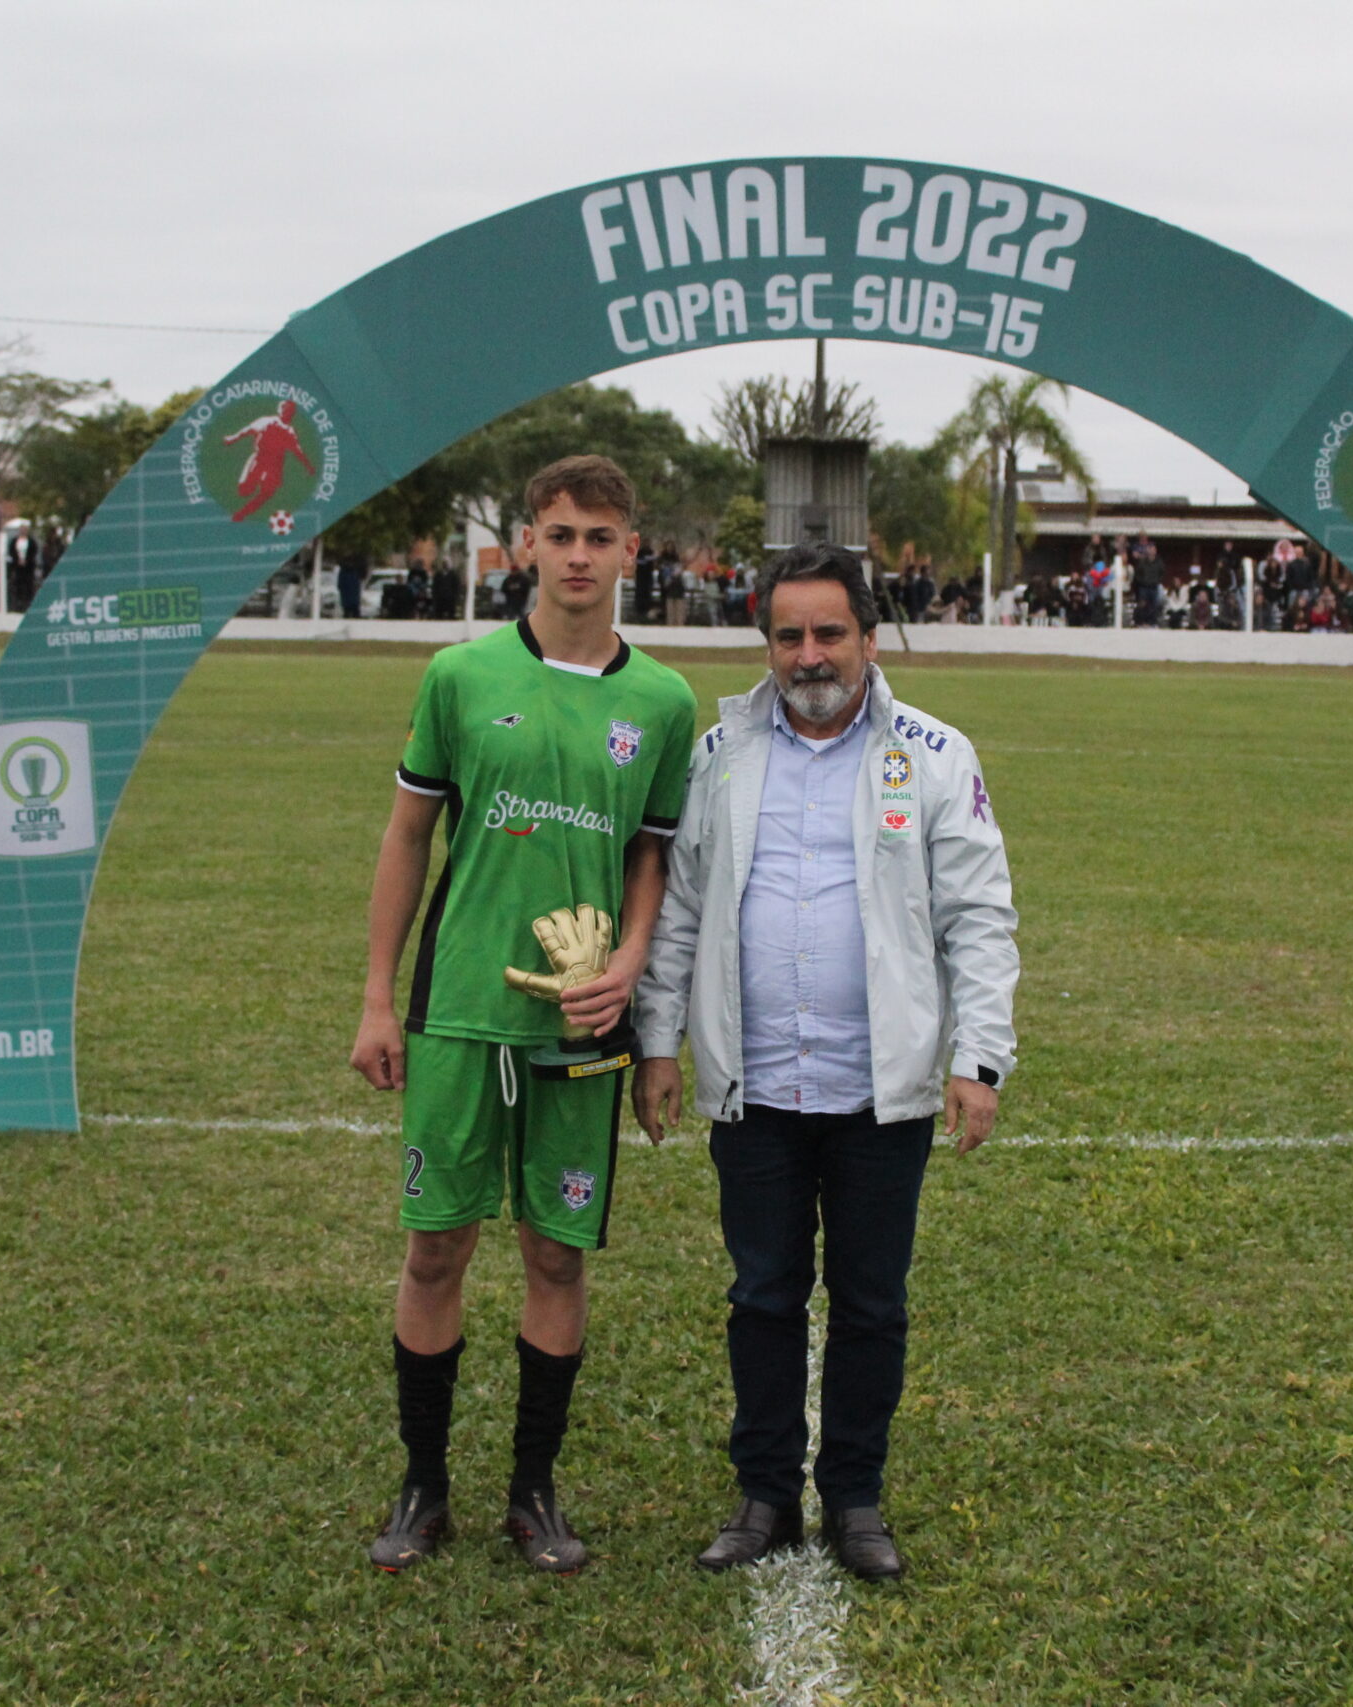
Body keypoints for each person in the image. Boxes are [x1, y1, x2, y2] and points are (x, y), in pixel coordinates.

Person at [633, 543, 1019, 1584]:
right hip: (752, 1083)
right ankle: (762, 1493)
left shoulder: (935, 754)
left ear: (869, 637)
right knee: (760, 1295)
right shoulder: (717, 755)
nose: (809, 655)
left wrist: (977, 1057)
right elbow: (678, 909)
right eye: (788, 635)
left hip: (878, 1092)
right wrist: (657, 1039)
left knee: (869, 1304)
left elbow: (978, 919)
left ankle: (853, 1497)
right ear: (765, 642)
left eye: (828, 633)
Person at [347, 455, 698, 1576]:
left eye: (601, 536)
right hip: (457, 1012)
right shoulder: (460, 674)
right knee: (436, 1244)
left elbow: (653, 856)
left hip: (582, 1025)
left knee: (556, 1253)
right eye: (560, 534)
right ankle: (421, 1487)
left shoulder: (663, 702)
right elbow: (409, 838)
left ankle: (533, 1492)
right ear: (526, 547)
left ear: (631, 550)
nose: (580, 555)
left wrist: (633, 966)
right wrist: (374, 1000)